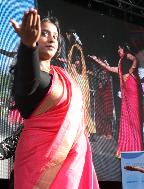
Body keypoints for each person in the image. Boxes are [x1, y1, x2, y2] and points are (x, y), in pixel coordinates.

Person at [10, 9, 100, 188]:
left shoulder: (63, 76)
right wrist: (28, 47)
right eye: (44, 33)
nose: (52, 39)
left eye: (55, 36)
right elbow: (31, 80)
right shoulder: (29, 78)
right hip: (37, 166)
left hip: (73, 168)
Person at [89, 44, 144, 157]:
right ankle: (128, 147)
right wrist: (97, 60)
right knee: (126, 117)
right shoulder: (120, 62)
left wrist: (130, 71)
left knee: (134, 118)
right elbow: (110, 69)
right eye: (118, 49)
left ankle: (137, 147)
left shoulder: (127, 55)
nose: (118, 50)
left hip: (131, 87)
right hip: (125, 91)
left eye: (119, 48)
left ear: (123, 48)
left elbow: (135, 59)